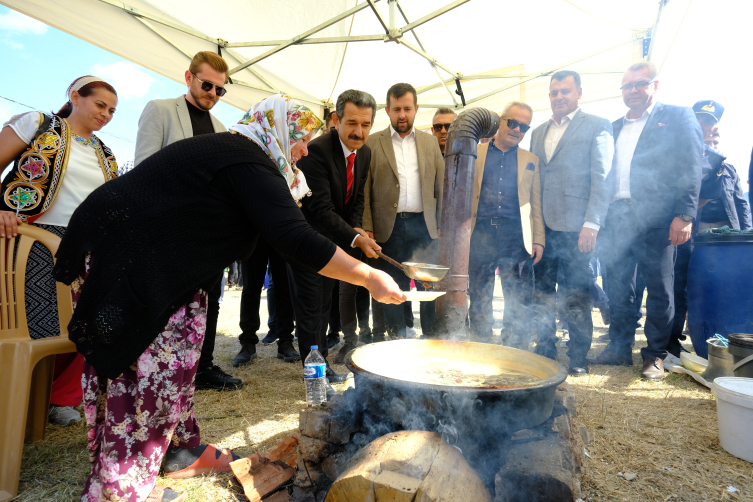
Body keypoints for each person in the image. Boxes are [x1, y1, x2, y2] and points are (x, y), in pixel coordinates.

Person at [53, 95, 405, 502]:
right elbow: (294, 237)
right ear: (278, 130)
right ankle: (119, 486)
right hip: (133, 262)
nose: (305, 149)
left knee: (180, 359)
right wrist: (367, 276)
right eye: (301, 139)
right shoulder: (249, 162)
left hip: (154, 260)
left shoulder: (242, 154)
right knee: (150, 372)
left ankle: (180, 450)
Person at [0, 76, 119, 427]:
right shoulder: (38, 124)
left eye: (112, 111)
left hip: (89, 246)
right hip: (34, 238)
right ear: (74, 97)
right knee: (39, 325)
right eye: (100, 105)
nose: (107, 115)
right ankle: (21, 399)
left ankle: (59, 398)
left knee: (92, 324)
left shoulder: (105, 153)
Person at [587, 61, 703, 380]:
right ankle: (618, 348)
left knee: (660, 289)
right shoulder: (611, 127)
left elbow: (691, 166)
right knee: (617, 287)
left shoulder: (678, 117)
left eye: (640, 84)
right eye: (627, 86)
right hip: (617, 218)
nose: (633, 90)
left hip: (659, 220)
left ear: (655, 85)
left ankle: (655, 355)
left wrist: (685, 215)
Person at [134, 51, 242, 392]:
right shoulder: (161, 109)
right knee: (169, 299)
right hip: (167, 226)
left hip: (207, 230)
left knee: (210, 298)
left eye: (219, 89)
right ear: (188, 77)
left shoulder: (223, 129)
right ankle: (165, 368)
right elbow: (143, 169)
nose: (212, 93)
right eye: (207, 84)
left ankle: (202, 365)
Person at [290, 89, 381, 389]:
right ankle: (314, 377)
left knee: (325, 303)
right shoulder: (316, 150)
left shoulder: (365, 153)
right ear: (336, 120)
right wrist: (356, 239)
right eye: (352, 123)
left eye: (366, 124)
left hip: (335, 243)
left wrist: (358, 231)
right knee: (311, 308)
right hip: (307, 237)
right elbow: (321, 209)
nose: (359, 131)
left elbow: (355, 203)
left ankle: (323, 367)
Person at [529, 70, 614, 375]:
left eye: (565, 91)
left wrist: (592, 223)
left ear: (579, 92)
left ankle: (578, 355)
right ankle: (545, 350)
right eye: (554, 92)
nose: (559, 97)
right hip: (543, 229)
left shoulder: (597, 125)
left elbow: (603, 177)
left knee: (577, 293)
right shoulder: (537, 132)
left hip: (578, 228)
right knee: (541, 293)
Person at [232, 95, 325, 367]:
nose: (306, 150)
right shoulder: (255, 158)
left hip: (281, 236)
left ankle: (285, 341)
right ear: (285, 131)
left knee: (283, 285)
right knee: (251, 286)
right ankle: (247, 343)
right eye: (303, 140)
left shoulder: (290, 171)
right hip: (254, 234)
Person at [363, 83, 445, 339]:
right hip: (389, 228)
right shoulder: (373, 142)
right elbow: (364, 190)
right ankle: (397, 337)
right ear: (387, 110)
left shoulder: (430, 143)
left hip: (425, 226)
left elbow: (442, 186)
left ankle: (430, 336)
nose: (402, 115)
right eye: (396, 109)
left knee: (428, 285)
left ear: (416, 109)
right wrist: (367, 227)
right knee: (392, 285)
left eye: (407, 109)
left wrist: (442, 222)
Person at [467, 102, 544, 349]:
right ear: (500, 121)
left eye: (524, 126)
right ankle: (480, 344)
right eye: (513, 122)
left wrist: (538, 239)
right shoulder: (475, 153)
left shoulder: (531, 160)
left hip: (516, 236)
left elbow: (536, 204)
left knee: (519, 296)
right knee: (479, 294)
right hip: (480, 234)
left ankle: (515, 349)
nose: (517, 129)